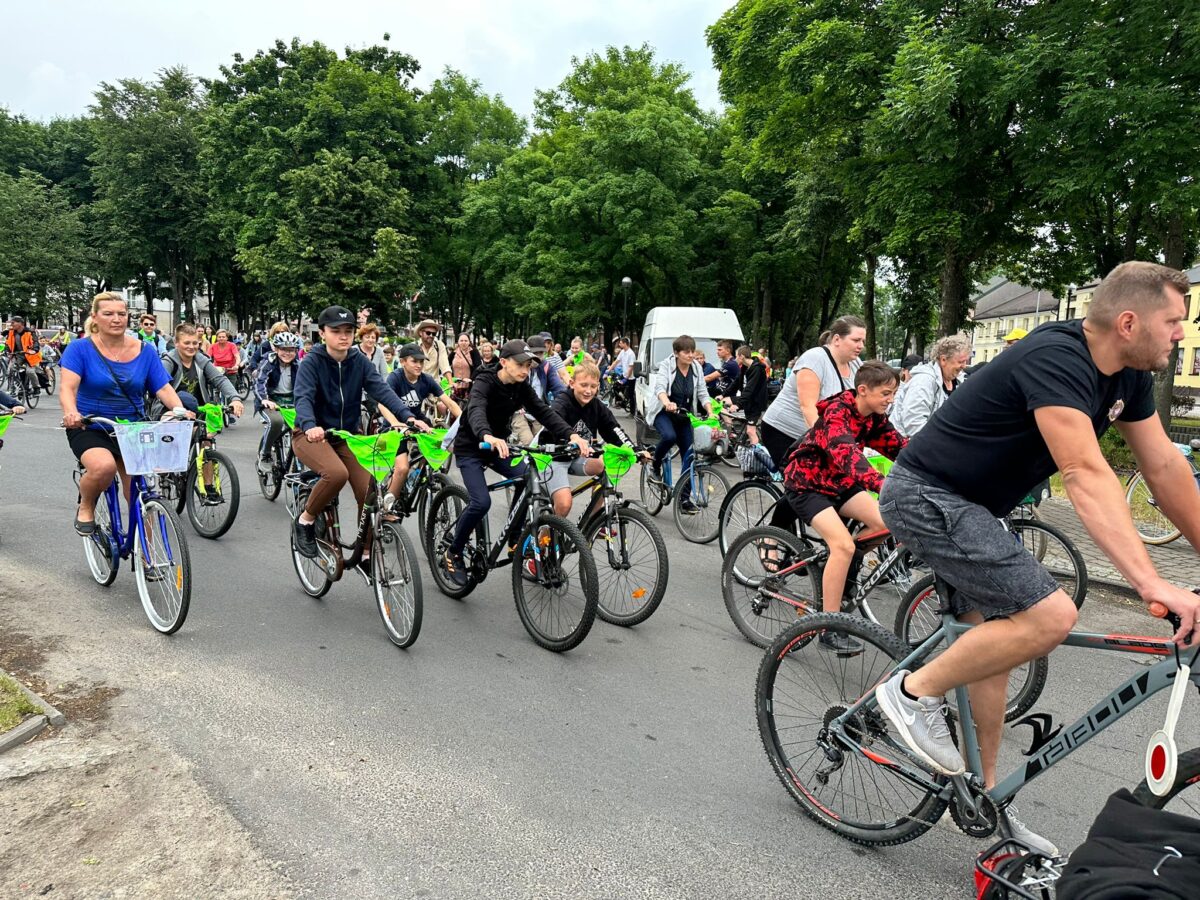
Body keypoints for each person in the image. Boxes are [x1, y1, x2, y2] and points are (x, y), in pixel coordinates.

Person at [874, 262, 1200, 857]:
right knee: (1050, 616)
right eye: (1174, 320)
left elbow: (1163, 467)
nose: (1182, 332)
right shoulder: (1057, 357)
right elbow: (1083, 472)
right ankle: (911, 694)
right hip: (928, 495)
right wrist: (1152, 582)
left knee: (998, 646)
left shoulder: (1127, 376)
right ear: (1129, 323)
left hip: (977, 507)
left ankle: (986, 798)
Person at [773, 361, 906, 649]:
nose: (890, 399)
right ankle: (828, 627)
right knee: (842, 545)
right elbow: (847, 456)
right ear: (863, 390)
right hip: (808, 482)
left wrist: (936, 468)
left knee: (885, 523)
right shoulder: (837, 413)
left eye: (893, 393)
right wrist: (884, 486)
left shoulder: (874, 418)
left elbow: (900, 447)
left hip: (839, 482)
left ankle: (842, 569)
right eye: (885, 393)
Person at [442, 339, 585, 587]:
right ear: (504, 362)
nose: (525, 370)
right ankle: (453, 552)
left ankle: (514, 539)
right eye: (520, 364)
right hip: (472, 447)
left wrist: (571, 435)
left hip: (499, 446)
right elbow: (476, 409)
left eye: (528, 366)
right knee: (481, 502)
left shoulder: (521, 386)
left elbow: (544, 412)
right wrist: (486, 435)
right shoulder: (485, 381)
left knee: (528, 479)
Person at [291, 306, 422, 561]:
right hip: (310, 435)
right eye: (336, 331)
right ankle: (305, 520)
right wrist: (309, 424)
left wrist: (407, 416)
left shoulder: (359, 361)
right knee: (336, 474)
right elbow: (303, 397)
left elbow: (382, 391)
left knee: (370, 491)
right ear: (322, 333)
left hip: (347, 437)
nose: (343, 336)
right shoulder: (312, 362)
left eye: (348, 331)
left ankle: (365, 554)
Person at [59, 293, 190, 534]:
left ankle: (148, 555)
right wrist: (71, 413)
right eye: (108, 314)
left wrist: (179, 410)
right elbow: (68, 388)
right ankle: (86, 504)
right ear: (95, 317)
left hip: (133, 429)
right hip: (91, 425)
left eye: (122, 314)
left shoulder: (145, 351)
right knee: (103, 468)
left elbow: (163, 388)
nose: (116, 319)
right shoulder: (79, 349)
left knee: (141, 496)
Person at [546, 361, 645, 529]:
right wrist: (572, 438)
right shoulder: (562, 402)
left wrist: (635, 450)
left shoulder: (597, 406)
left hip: (578, 457)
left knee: (603, 465)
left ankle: (592, 523)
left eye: (593, 386)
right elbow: (554, 422)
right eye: (583, 385)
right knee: (564, 504)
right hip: (554, 457)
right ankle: (544, 535)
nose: (588, 391)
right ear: (572, 383)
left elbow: (614, 430)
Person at [759, 316, 866, 468]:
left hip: (818, 435)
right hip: (784, 432)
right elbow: (808, 408)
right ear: (837, 339)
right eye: (856, 340)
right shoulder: (815, 359)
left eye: (863, 341)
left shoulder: (856, 364)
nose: (861, 346)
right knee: (803, 479)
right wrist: (831, 445)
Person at [381, 343, 460, 503]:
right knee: (402, 468)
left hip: (418, 421)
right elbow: (382, 404)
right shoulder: (395, 378)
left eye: (421, 362)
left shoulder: (426, 380)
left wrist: (466, 421)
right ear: (402, 362)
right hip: (394, 425)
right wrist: (396, 424)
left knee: (436, 445)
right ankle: (387, 508)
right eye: (414, 361)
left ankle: (417, 475)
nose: (419, 365)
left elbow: (450, 404)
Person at [645, 335, 712, 513]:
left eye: (692, 351)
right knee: (669, 436)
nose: (691, 355)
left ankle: (684, 500)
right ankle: (655, 466)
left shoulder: (696, 368)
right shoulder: (666, 365)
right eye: (686, 352)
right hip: (664, 413)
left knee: (690, 455)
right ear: (676, 353)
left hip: (684, 416)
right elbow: (660, 388)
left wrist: (711, 411)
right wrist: (667, 402)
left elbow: (703, 393)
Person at [889, 335, 970, 437]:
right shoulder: (923, 381)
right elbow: (913, 424)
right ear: (943, 360)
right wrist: (942, 442)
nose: (964, 366)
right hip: (906, 442)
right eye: (960, 362)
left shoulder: (959, 381)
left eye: (965, 361)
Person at [157, 324, 244, 419]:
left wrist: (235, 398)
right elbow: (161, 388)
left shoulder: (202, 360)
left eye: (195, 343)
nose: (191, 346)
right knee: (172, 420)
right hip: (170, 410)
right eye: (186, 343)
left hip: (198, 411)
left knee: (213, 425)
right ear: (176, 343)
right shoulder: (168, 362)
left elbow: (220, 379)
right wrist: (180, 411)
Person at [254, 331, 302, 470]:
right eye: (283, 349)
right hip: (271, 400)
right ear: (276, 349)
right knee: (276, 421)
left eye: (291, 350)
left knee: (304, 425)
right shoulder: (268, 362)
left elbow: (307, 385)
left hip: (291, 401)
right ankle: (265, 453)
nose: (287, 353)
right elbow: (260, 382)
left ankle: (300, 462)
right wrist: (264, 399)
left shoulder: (298, 365)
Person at [510, 334, 568, 445]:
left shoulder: (547, 367)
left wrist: (565, 402)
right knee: (528, 441)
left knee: (541, 442)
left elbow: (559, 389)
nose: (538, 357)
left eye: (541, 353)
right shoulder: (518, 367)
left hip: (539, 410)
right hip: (519, 411)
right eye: (534, 353)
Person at [727, 344, 768, 444]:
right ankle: (730, 430)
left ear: (742, 356)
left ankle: (756, 452)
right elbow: (736, 383)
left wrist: (738, 405)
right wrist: (723, 394)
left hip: (755, 403)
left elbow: (749, 389)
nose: (735, 359)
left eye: (736, 356)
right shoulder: (745, 367)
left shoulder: (757, 369)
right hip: (747, 400)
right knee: (724, 401)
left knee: (750, 431)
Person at [5, 316, 52, 394]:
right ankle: (12, 388)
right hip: (18, 355)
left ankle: (36, 388)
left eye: (13, 323)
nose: (11, 324)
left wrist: (34, 350)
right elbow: (8, 343)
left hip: (31, 355)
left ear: (20, 323)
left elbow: (35, 342)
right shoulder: (11, 332)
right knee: (10, 370)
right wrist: (7, 351)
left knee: (30, 372)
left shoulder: (30, 332)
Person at [606, 337, 637, 410]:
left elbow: (631, 367)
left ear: (625, 344)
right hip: (624, 374)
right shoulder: (622, 352)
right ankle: (620, 402)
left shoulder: (631, 354)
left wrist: (626, 378)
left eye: (620, 343)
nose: (619, 344)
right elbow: (616, 362)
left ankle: (632, 411)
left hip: (630, 377)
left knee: (631, 394)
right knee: (615, 385)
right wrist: (608, 370)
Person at [450, 333, 482, 401]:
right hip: (455, 386)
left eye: (466, 341)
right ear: (458, 342)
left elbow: (478, 367)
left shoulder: (474, 352)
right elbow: (446, 365)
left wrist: (471, 379)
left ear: (469, 342)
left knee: (466, 405)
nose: (463, 343)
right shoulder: (454, 353)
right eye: (461, 341)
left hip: (469, 386)